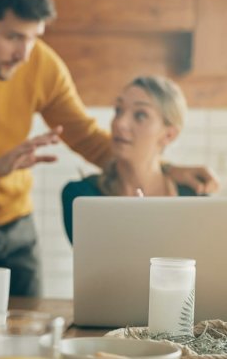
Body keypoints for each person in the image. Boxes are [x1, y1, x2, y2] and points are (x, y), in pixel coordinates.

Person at [0, 0, 218, 314]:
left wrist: (165, 167)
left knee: (28, 333)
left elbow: (89, 139)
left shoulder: (41, 64)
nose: (25, 53)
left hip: (18, 228)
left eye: (34, 37)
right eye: (14, 37)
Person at [61, 76, 199, 243]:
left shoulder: (196, 199)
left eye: (140, 115)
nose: (120, 123)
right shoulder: (82, 197)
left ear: (169, 135)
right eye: (118, 110)